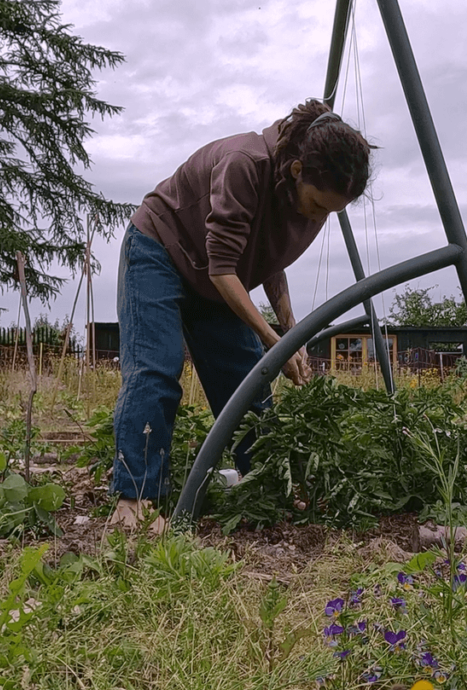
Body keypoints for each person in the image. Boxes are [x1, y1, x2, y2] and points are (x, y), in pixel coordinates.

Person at [109, 99, 373, 531]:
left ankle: (266, 487)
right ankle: (135, 499)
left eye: (333, 210)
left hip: (217, 278)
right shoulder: (243, 164)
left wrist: (292, 335)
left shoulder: (305, 190)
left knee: (247, 381)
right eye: (319, 205)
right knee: (155, 369)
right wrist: (276, 344)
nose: (322, 216)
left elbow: (270, 261)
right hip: (162, 250)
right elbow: (222, 268)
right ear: (296, 172)